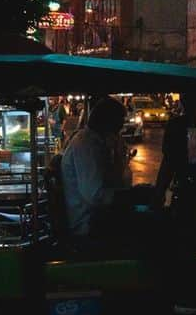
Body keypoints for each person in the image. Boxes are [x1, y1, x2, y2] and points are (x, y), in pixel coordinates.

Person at [60, 96, 149, 238]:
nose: (121, 125)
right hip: (88, 223)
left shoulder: (100, 142)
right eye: (120, 120)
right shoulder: (86, 145)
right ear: (108, 121)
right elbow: (95, 196)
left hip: (99, 216)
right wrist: (129, 196)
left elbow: (118, 181)